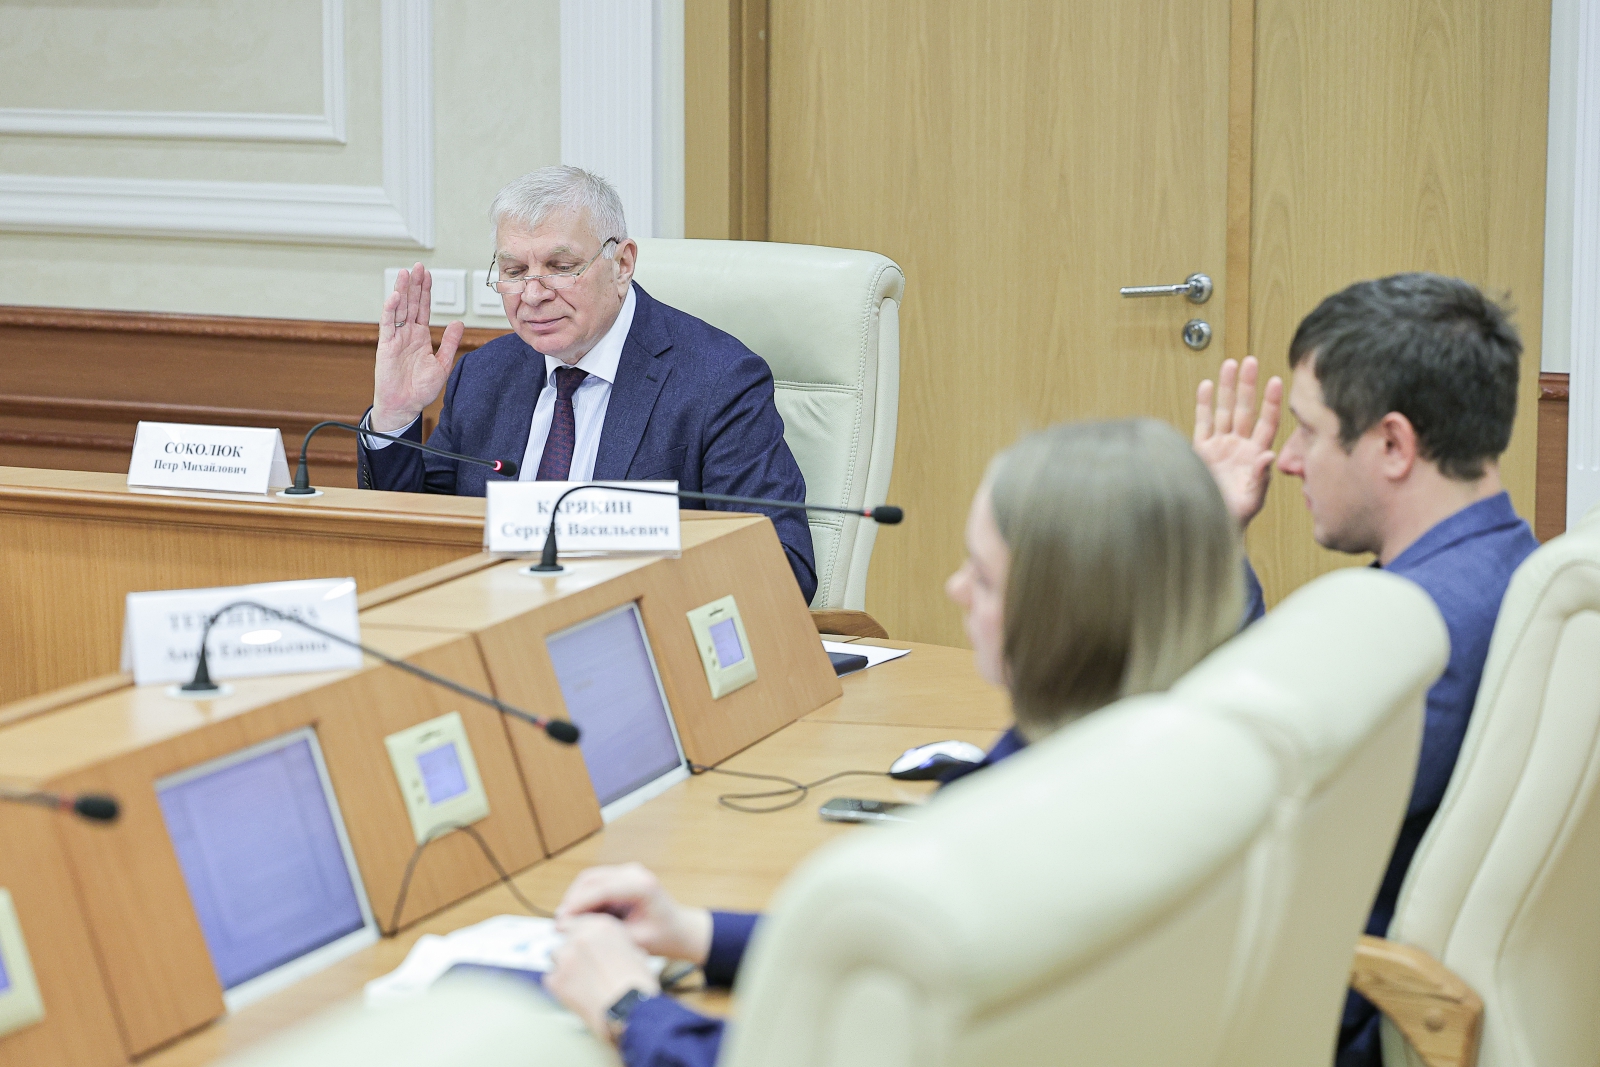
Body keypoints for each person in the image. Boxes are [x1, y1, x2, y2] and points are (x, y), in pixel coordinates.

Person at [542, 418, 1245, 1064]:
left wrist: (630, 1009)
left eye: (984, 576)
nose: (955, 588)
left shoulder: (1036, 834)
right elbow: (897, 961)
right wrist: (697, 933)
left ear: (1062, 615)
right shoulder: (1136, 752)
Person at [1192, 273, 1539, 1066]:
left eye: (1307, 431)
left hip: (1323, 1014)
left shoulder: (1415, 636)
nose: (1285, 460)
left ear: (1392, 445)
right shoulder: (1504, 570)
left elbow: (1246, 811)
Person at [358, 166, 818, 601]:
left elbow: (783, 567)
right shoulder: (484, 375)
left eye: (561, 266)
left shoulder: (716, 380)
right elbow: (417, 543)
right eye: (514, 272)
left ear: (622, 263)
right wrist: (395, 415)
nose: (533, 294)